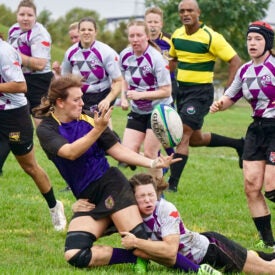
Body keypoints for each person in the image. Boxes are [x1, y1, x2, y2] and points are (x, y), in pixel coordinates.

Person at [33, 74, 180, 271]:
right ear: (60, 102)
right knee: (75, 255)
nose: (82, 103)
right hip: (88, 198)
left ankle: (194, 266)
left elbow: (117, 150)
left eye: (81, 98)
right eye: (76, 99)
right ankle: (129, 257)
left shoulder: (89, 119)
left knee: (140, 244)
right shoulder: (47, 129)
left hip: (112, 185)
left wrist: (152, 161)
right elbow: (70, 153)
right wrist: (98, 129)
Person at [121, 173, 275, 274]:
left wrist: (136, 242)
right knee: (258, 258)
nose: (148, 200)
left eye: (150, 194)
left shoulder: (166, 209)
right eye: (142, 196)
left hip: (211, 250)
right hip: (199, 251)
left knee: (267, 269)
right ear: (132, 197)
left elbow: (170, 250)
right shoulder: (130, 214)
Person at [210, 21, 275, 249]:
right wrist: (219, 104)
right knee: (251, 186)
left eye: (258, 39)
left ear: (267, 42)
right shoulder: (244, 70)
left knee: (272, 187)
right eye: (249, 39)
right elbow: (230, 96)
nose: (252, 43)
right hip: (256, 130)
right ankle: (268, 242)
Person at [167, 0, 244, 192]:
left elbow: (235, 60)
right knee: (194, 139)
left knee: (183, 134)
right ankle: (238, 144)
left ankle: (172, 185)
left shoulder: (211, 37)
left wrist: (228, 92)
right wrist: (169, 81)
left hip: (200, 92)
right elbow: (173, 59)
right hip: (181, 91)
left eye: (190, 10)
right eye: (182, 11)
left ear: (198, 13)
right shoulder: (176, 35)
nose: (186, 14)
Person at [0, 33, 66, 231]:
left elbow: (21, 86)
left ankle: (55, 206)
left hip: (14, 120)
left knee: (30, 167)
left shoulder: (4, 51)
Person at [119, 20, 173, 180]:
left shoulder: (157, 59)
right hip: (137, 111)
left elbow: (166, 91)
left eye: (139, 35)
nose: (135, 39)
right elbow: (124, 79)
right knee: (126, 154)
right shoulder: (124, 55)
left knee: (150, 153)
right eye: (132, 36)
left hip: (159, 110)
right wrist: (123, 97)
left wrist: (139, 95)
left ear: (147, 37)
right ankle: (160, 165)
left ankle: (158, 194)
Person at [61, 17, 122, 132]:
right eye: (83, 29)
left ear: (95, 32)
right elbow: (65, 79)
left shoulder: (106, 52)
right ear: (78, 32)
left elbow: (118, 81)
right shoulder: (70, 53)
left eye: (90, 29)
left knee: (104, 131)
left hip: (102, 95)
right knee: (81, 131)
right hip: (80, 96)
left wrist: (107, 100)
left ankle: (113, 146)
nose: (86, 32)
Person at [8, 0, 54, 127]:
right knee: (18, 123)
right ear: (17, 15)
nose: (25, 18)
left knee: (42, 126)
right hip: (18, 78)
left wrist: (14, 56)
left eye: (30, 15)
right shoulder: (13, 30)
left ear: (35, 17)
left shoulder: (40, 34)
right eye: (22, 14)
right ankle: (24, 146)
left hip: (39, 81)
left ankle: (62, 146)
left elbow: (40, 65)